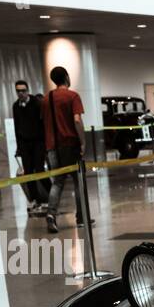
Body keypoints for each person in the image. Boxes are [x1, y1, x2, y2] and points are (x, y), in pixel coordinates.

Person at [40, 66, 88, 234]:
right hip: (70, 145)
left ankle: (51, 215)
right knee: (78, 181)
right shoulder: (72, 96)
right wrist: (83, 141)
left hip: (52, 148)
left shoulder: (46, 99)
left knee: (58, 183)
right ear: (67, 77)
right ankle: (82, 217)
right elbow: (76, 120)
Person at [11, 79, 50, 215]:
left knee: (39, 170)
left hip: (38, 142)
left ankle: (51, 195)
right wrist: (19, 147)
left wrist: (45, 144)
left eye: (23, 90)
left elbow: (44, 124)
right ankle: (35, 199)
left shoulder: (37, 103)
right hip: (24, 143)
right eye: (18, 91)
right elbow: (17, 127)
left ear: (28, 90)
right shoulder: (16, 106)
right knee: (28, 172)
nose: (21, 93)